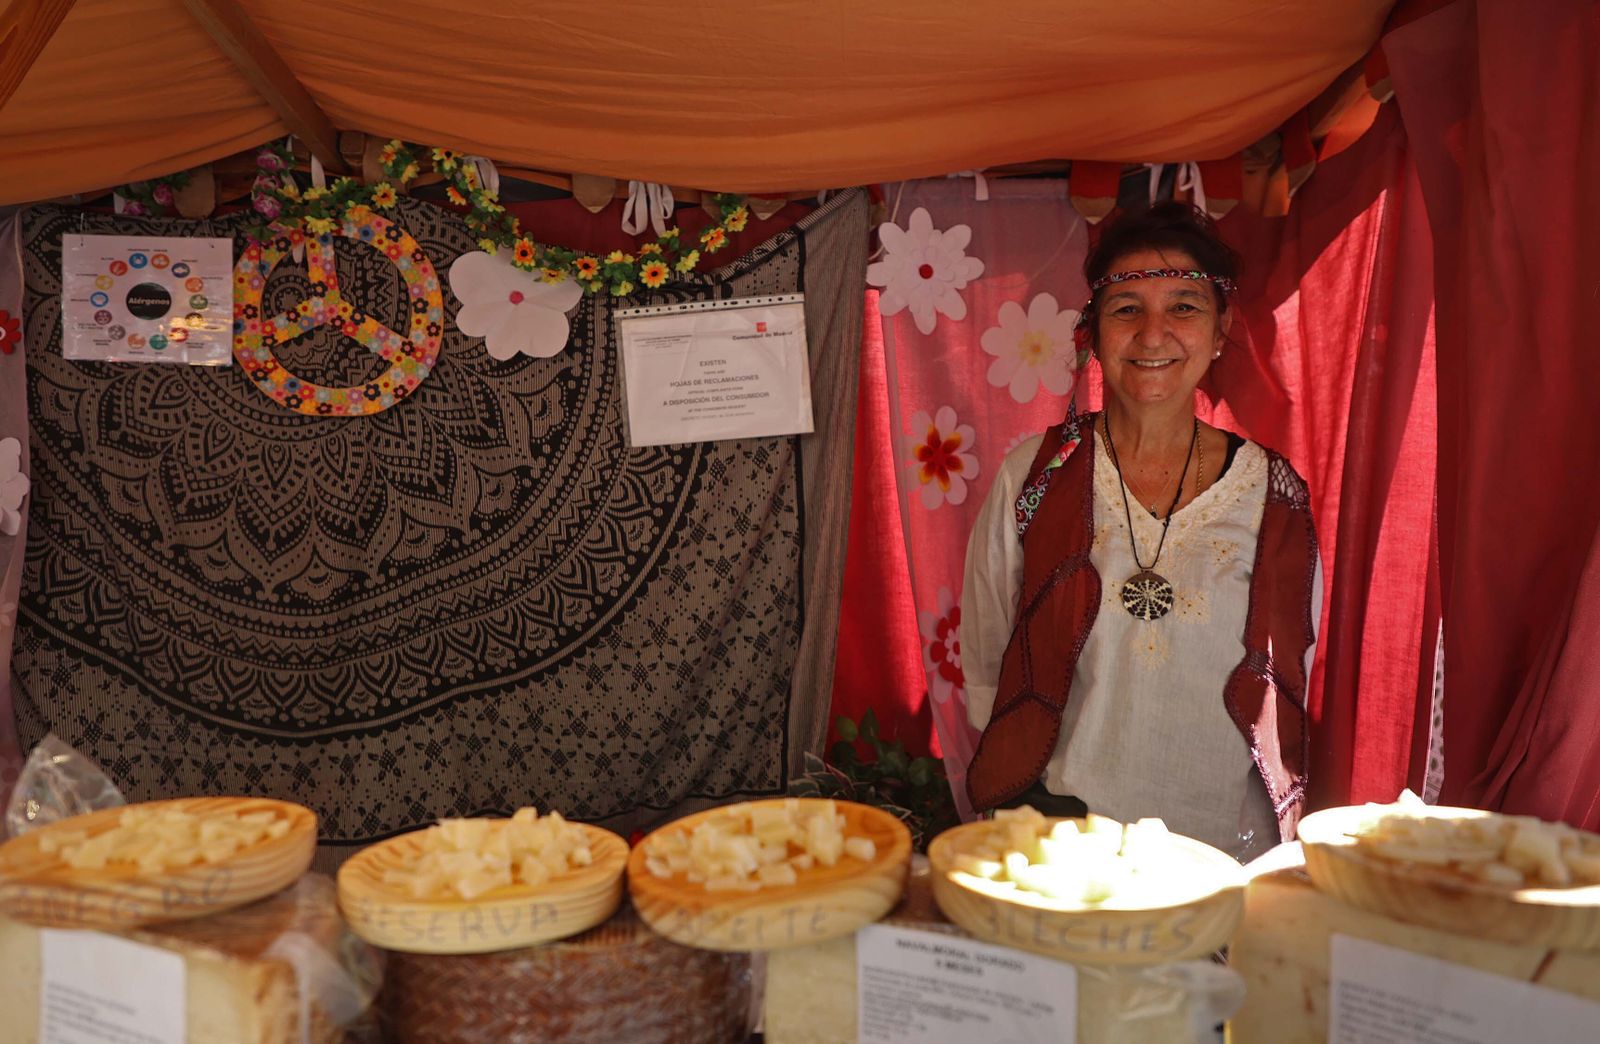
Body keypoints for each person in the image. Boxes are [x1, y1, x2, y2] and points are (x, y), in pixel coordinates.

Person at [960, 201, 1321, 861]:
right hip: (1060, 846)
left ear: (1220, 332)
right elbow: (986, 661)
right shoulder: (1036, 475)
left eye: (1184, 306)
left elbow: (1291, 672)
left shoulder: (1274, 495)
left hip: (1221, 852)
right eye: (1127, 308)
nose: (1154, 334)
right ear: (1093, 332)